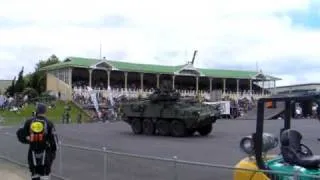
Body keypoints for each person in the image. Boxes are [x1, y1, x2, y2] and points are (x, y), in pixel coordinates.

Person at [16, 103, 59, 180]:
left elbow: (20, 134)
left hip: (32, 152)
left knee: (35, 174)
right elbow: (55, 141)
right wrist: (53, 153)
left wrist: (28, 139)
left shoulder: (29, 122)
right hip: (46, 153)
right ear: (45, 111)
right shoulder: (49, 123)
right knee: (45, 174)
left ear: (36, 111)